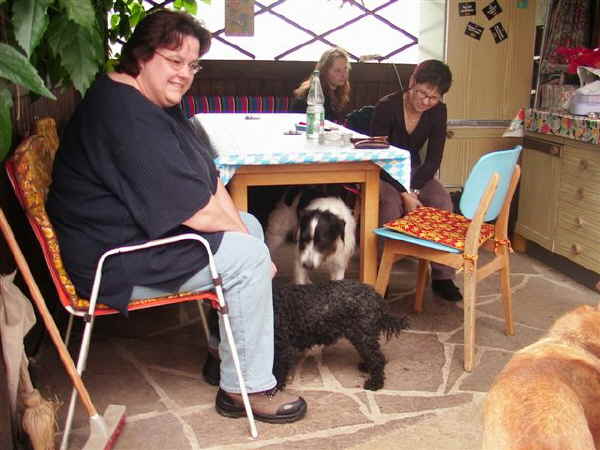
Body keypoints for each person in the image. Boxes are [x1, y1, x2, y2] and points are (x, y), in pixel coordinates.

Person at [46, 10, 307, 424]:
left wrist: (248, 238)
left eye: (192, 65)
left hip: (133, 234)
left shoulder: (151, 101)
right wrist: (257, 255)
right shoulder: (122, 114)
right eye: (174, 61)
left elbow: (208, 177)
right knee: (248, 258)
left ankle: (227, 354)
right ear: (142, 56)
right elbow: (199, 212)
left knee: (252, 229)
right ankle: (246, 388)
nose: (184, 74)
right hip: (113, 260)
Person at [370, 59, 463, 302]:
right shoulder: (387, 106)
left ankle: (442, 275)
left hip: (414, 171)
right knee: (390, 204)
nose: (426, 101)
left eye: (434, 97)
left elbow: (433, 159)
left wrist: (414, 189)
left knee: (442, 199)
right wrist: (404, 193)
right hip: (384, 171)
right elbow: (378, 156)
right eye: (422, 93)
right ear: (412, 82)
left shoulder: (438, 111)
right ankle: (381, 274)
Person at [291, 47, 351, 123]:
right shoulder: (315, 93)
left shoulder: (338, 91)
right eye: (337, 70)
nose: (343, 75)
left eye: (345, 69)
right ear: (325, 71)